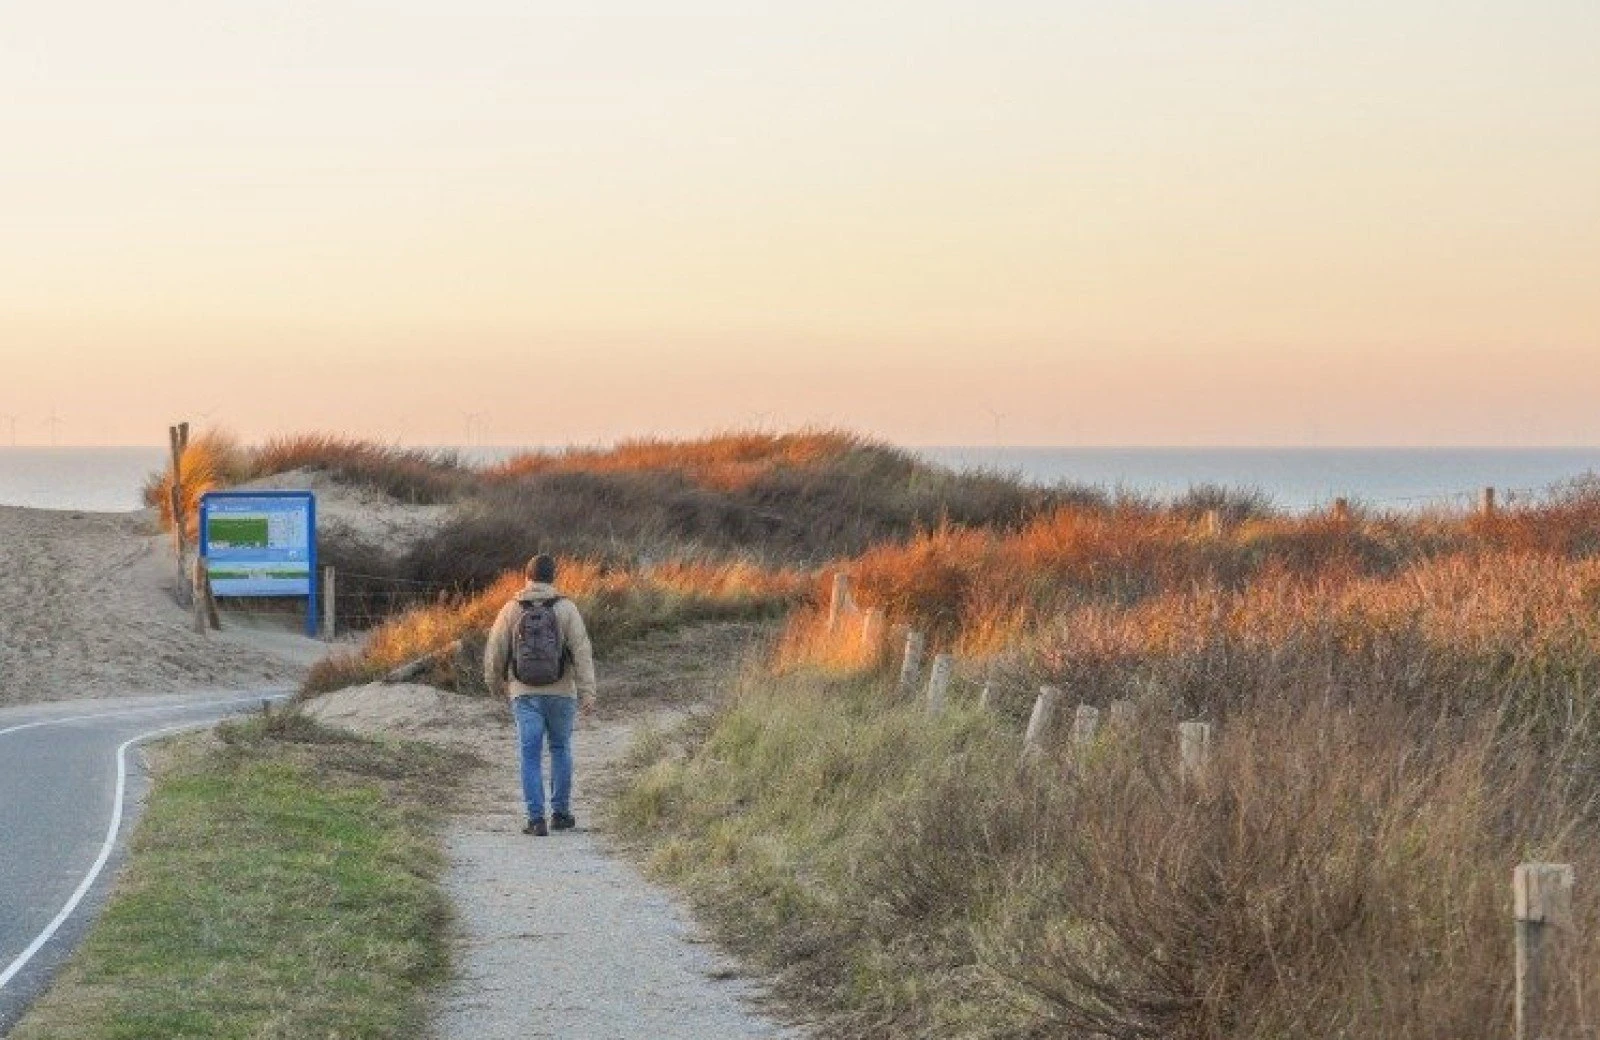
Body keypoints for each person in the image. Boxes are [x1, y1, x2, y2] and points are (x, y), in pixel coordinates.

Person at [483, 554, 597, 836]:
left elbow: (495, 649)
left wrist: (495, 684)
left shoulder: (511, 608)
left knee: (530, 754)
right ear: (553, 577)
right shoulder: (567, 608)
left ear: (527, 577)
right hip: (562, 692)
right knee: (560, 749)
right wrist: (588, 692)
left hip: (524, 694)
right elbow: (582, 651)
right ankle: (560, 813)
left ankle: (536, 819)